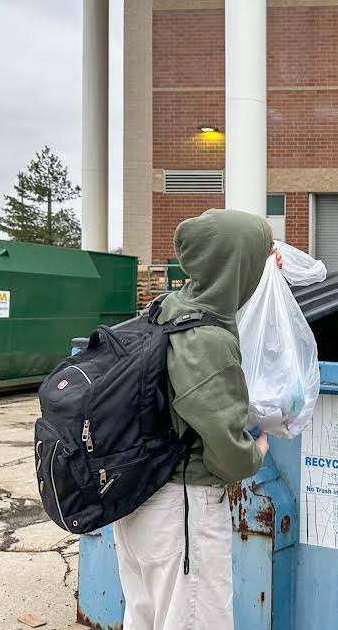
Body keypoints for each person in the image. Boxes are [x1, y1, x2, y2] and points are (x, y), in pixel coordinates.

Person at [113, 209, 280, 630]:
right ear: (235, 266)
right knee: (194, 620)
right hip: (183, 509)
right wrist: (255, 450)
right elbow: (226, 453)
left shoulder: (166, 309)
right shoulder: (207, 340)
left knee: (145, 616)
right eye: (255, 260)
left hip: (137, 500)